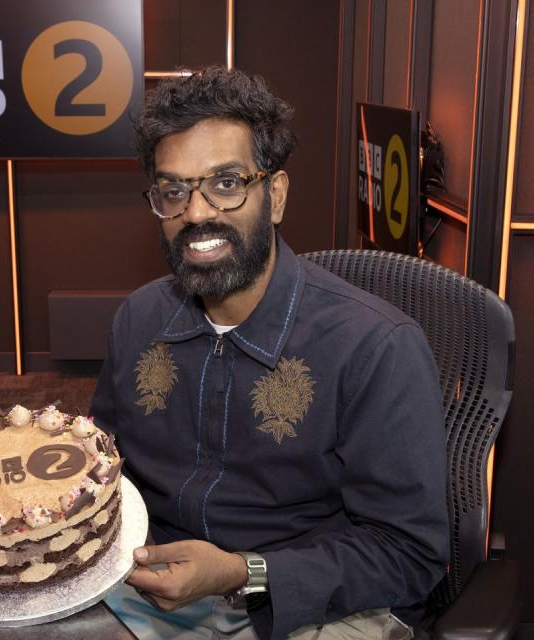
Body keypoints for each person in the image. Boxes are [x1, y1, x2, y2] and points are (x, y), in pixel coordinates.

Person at [90, 66, 448, 640]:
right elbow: (101, 470)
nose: (198, 212)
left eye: (226, 182)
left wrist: (241, 573)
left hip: (317, 604)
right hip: (148, 584)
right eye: (173, 190)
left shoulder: (375, 347)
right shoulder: (139, 319)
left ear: (275, 195)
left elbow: (410, 554)